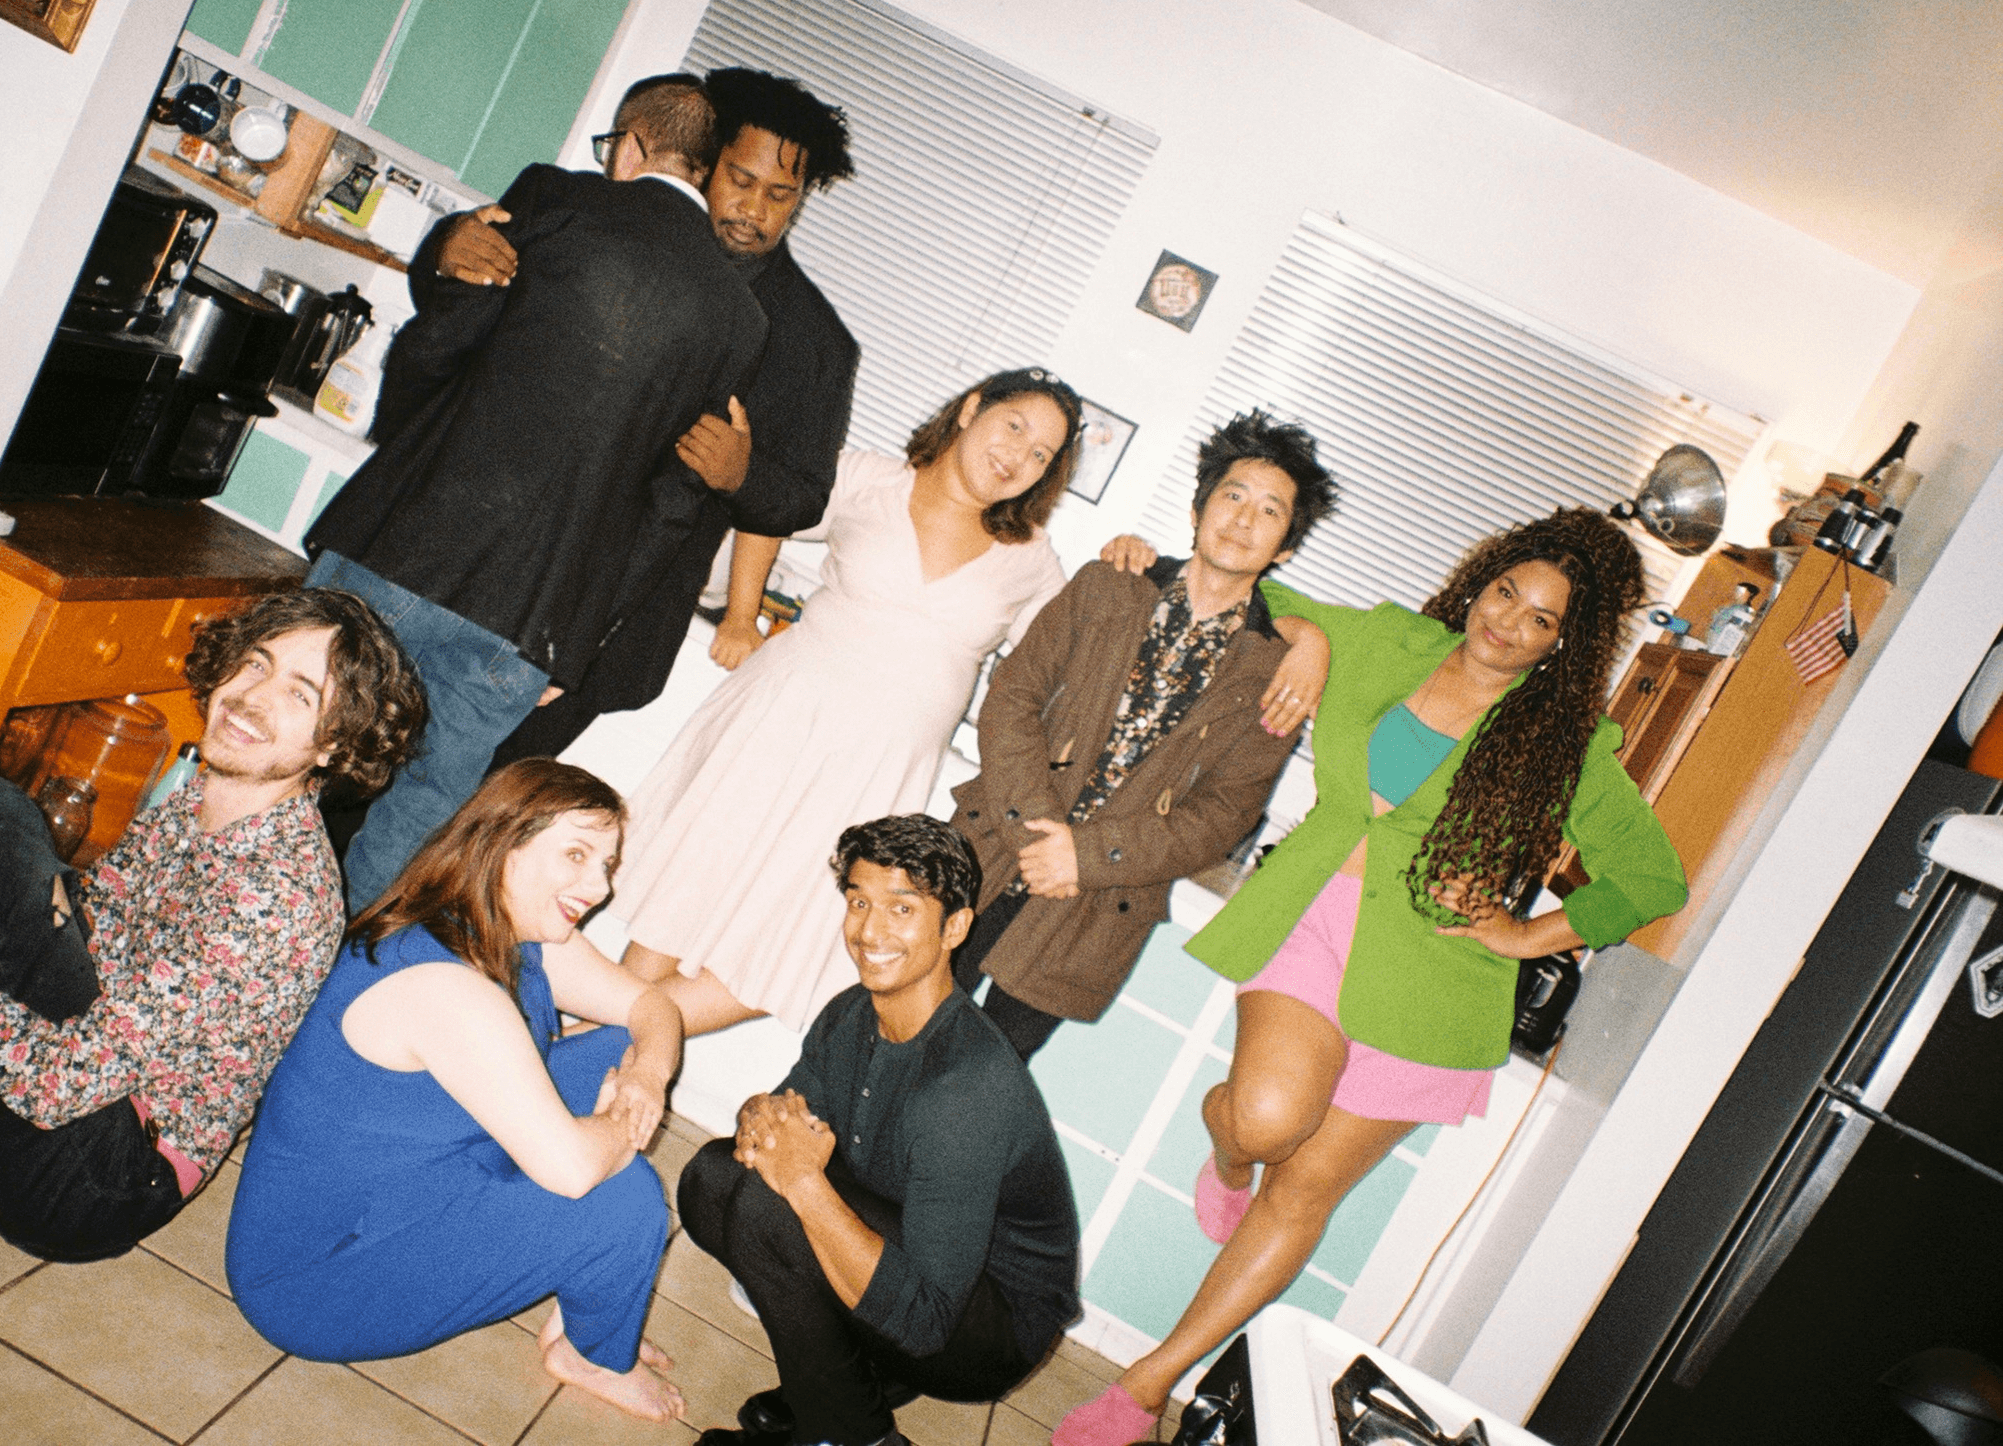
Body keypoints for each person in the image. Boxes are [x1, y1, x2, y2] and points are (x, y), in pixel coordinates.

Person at [1052, 508, 1690, 1445]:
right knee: (1267, 1119)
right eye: (1505, 590)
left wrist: (1523, 935)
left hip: (1436, 985)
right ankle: (1227, 1151)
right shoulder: (1390, 639)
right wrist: (1308, 639)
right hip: (1313, 918)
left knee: (1304, 1193)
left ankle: (1145, 1387)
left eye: (1541, 619)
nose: (1507, 622)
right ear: (1481, 578)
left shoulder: (1568, 746)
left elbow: (1653, 879)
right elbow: (1255, 593)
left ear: (1564, 642)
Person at [0, 589, 427, 1260]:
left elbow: (55, 1086)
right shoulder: (207, 798)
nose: (252, 697)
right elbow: (94, 919)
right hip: (87, 1074)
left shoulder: (274, 898)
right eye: (255, 663)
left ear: (334, 747)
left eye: (300, 696)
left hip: (90, 1178)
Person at [307, 74, 768, 909]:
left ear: (631, 146)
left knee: (295, 740)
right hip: (530, 619)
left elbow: (445, 332)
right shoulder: (740, 319)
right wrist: (572, 641)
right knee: (423, 810)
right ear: (701, 172)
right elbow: (673, 503)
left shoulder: (555, 200)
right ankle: (326, 962)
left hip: (402, 544)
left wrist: (401, 439)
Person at [612, 368, 1082, 1038]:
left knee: (795, 946)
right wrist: (741, 615)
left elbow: (1068, 667)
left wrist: (1131, 568)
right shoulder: (868, 479)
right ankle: (592, 1061)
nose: (1019, 456)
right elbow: (768, 506)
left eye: (1041, 454)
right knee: (684, 897)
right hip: (779, 722)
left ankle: (586, 1047)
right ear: (972, 409)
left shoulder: (1031, 560)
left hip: (877, 778)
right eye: (1014, 426)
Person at [224, 760, 688, 1421]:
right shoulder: (444, 989)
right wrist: (620, 1125)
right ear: (504, 844)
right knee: (624, 1198)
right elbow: (575, 1172)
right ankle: (591, 1354)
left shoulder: (494, 923)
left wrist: (643, 1078)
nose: (600, 886)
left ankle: (588, 1286)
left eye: (607, 864)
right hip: (319, 1279)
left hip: (418, 1175)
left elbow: (652, 1008)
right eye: (577, 855)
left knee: (617, 1049)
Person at [491, 65, 861, 765]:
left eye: (780, 195)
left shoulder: (817, 346)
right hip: (494, 560)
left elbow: (803, 497)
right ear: (706, 164)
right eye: (741, 180)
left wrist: (742, 474)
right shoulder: (603, 225)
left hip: (606, 631)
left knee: (484, 812)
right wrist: (446, 257)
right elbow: (476, 314)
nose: (754, 209)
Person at [678, 815, 1081, 1446]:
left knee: (767, 1204)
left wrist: (804, 1184)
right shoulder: (851, 1013)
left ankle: (853, 1433)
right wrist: (758, 1111)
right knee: (713, 1177)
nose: (870, 931)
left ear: (955, 928)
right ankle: (843, 1388)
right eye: (859, 901)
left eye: (902, 908)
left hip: (986, 1323)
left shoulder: (966, 1089)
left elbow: (926, 1321)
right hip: (910, 1246)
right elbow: (787, 1118)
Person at [950, 411, 1340, 1060]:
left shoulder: (1276, 675)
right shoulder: (1108, 585)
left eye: (1270, 511)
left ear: (1286, 549)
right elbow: (1013, 697)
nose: (1243, 519)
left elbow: (1224, 815)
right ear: (1197, 508)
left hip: (1097, 904)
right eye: (1232, 495)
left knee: (981, 1080)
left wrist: (1084, 855)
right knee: (886, 1029)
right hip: (992, 846)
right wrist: (1036, 833)